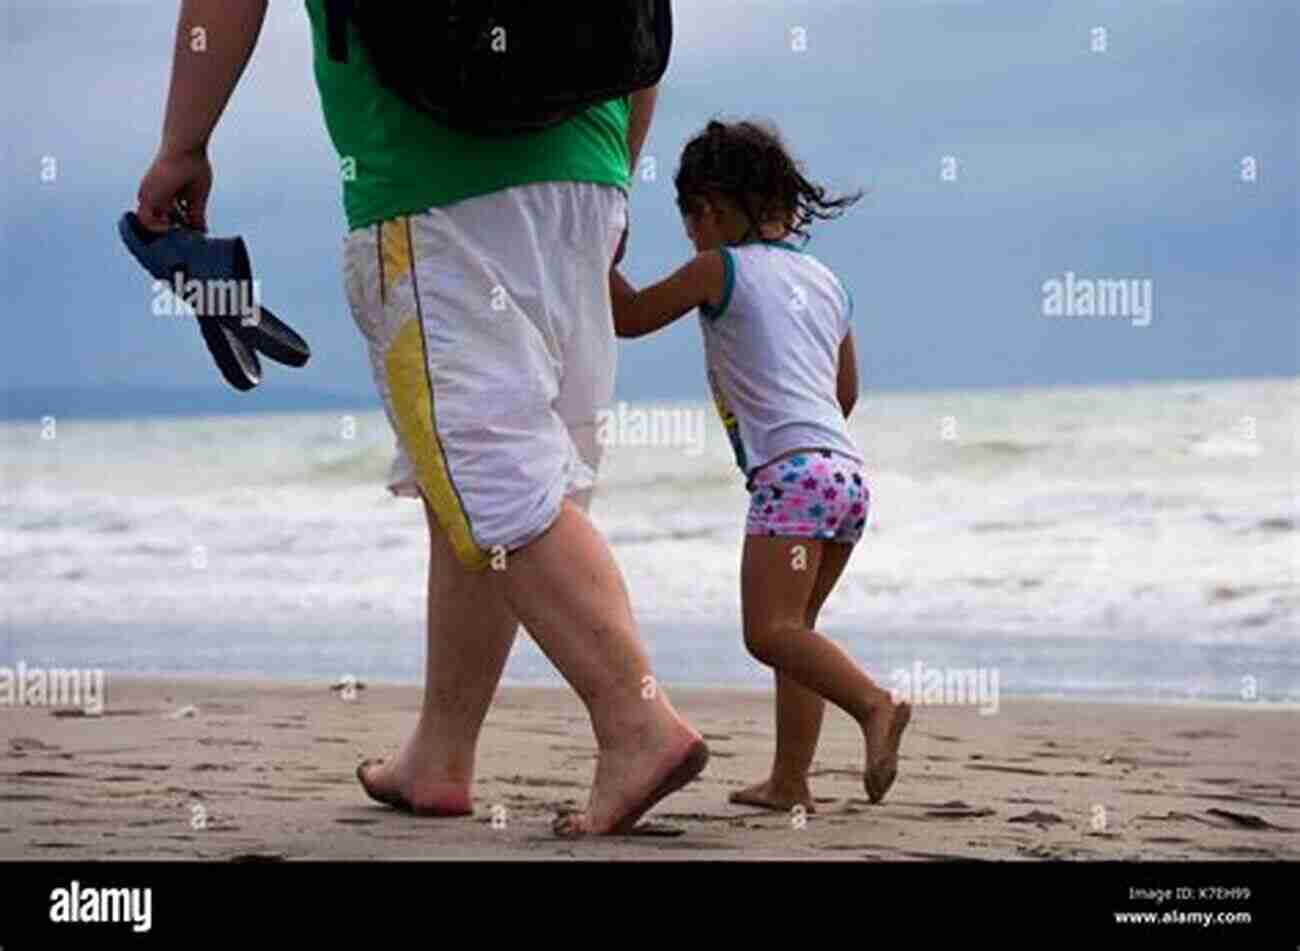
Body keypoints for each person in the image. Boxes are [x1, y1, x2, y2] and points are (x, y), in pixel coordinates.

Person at [135, 0, 707, 837]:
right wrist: (616, 171)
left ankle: (637, 722)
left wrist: (182, 145)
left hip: (431, 174)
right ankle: (440, 754)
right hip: (586, 164)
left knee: (489, 473)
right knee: (488, 480)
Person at [610, 119, 910, 809]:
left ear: (708, 209)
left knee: (767, 632)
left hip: (791, 476)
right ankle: (790, 782)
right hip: (847, 476)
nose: (690, 238)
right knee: (795, 635)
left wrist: (593, 253)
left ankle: (874, 705)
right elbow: (846, 393)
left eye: (689, 223)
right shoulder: (825, 281)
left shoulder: (720, 268)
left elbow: (628, 316)